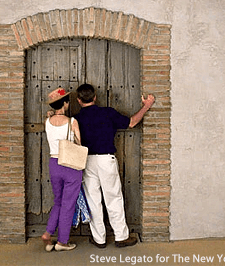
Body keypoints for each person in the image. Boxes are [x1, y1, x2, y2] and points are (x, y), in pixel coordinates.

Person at [75, 83, 155, 248]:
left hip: (87, 160)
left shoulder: (76, 118)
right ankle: (121, 237)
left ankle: (99, 239)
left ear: (78, 100)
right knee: (114, 198)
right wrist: (146, 106)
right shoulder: (107, 113)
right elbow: (132, 122)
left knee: (92, 200)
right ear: (95, 97)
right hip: (106, 160)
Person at [41, 87, 83, 252]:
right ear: (65, 103)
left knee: (58, 201)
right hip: (70, 165)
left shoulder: (47, 121)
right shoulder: (72, 121)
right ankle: (62, 242)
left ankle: (48, 232)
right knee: (68, 204)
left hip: (54, 164)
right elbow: (79, 143)